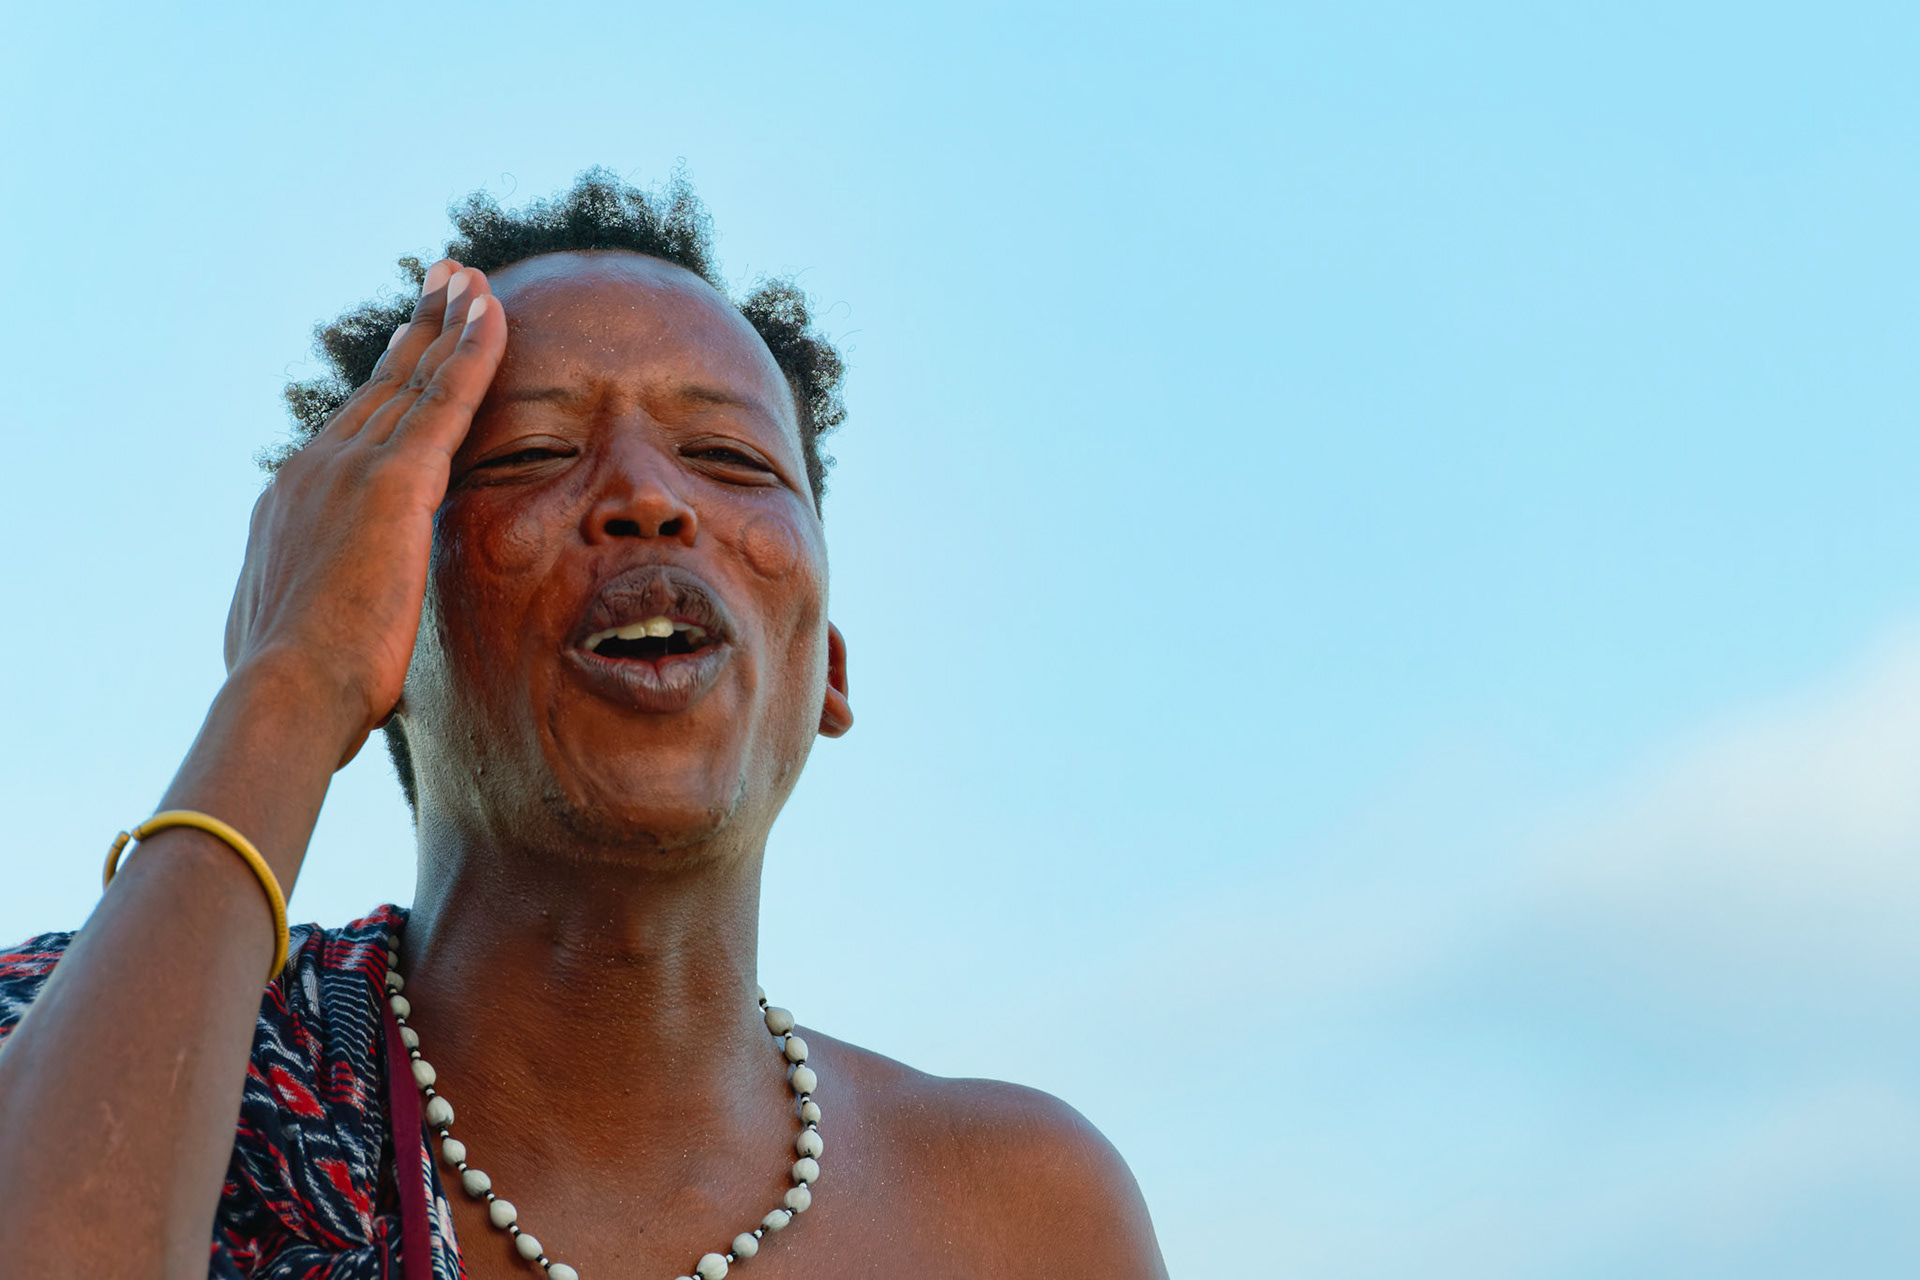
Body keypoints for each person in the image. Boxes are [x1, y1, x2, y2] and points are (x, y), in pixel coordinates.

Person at [0, 171, 1168, 1279]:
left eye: (731, 457)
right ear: (383, 616)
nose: (648, 496)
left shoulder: (1022, 1214)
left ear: (828, 668)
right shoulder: (71, 1051)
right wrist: (289, 681)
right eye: (531, 455)